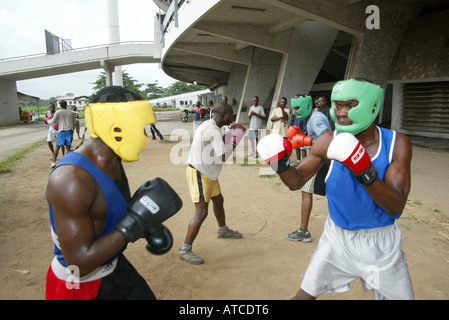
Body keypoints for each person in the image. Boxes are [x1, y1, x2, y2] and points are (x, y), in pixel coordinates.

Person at [258, 78, 414, 300]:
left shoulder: (396, 143)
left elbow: (395, 206)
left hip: (381, 245)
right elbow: (297, 181)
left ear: (373, 105)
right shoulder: (328, 140)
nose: (341, 113)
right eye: (338, 105)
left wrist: (364, 170)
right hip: (337, 240)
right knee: (303, 296)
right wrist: (279, 163)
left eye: (351, 105)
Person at [45, 86, 182, 300]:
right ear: (118, 127)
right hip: (81, 285)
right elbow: (78, 262)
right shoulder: (71, 180)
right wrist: (136, 222)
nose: (145, 136)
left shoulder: (112, 158)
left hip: (113, 265)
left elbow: (110, 204)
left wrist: (148, 225)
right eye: (140, 127)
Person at [179, 102, 246, 265]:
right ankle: (185, 249)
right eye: (231, 114)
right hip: (200, 173)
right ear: (222, 115)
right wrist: (235, 139)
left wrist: (229, 135)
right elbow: (223, 155)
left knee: (219, 200)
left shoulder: (211, 125)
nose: (233, 117)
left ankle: (223, 230)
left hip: (208, 172)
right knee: (201, 213)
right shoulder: (213, 130)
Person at [285, 95, 331, 243]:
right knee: (331, 193)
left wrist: (307, 140)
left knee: (306, 191)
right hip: (322, 159)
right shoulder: (313, 117)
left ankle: (303, 231)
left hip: (320, 161)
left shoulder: (316, 119)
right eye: (295, 108)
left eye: (298, 108)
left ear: (306, 106)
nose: (296, 111)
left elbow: (327, 140)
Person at [49, 100, 76, 168]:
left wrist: (47, 120)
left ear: (60, 106)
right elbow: (74, 123)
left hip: (61, 130)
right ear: (66, 105)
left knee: (58, 147)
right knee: (68, 147)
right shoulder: (71, 113)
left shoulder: (58, 112)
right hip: (69, 130)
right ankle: (67, 162)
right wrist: (72, 131)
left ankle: (53, 162)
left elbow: (53, 121)